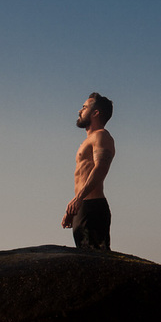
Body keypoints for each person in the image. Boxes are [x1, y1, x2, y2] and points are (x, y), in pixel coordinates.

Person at [61, 92, 115, 250]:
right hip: (84, 206)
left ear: (95, 113)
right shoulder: (88, 140)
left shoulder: (101, 136)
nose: (79, 111)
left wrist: (78, 199)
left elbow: (101, 168)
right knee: (84, 258)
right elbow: (83, 176)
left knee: (95, 262)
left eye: (84, 107)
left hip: (93, 207)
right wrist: (75, 207)